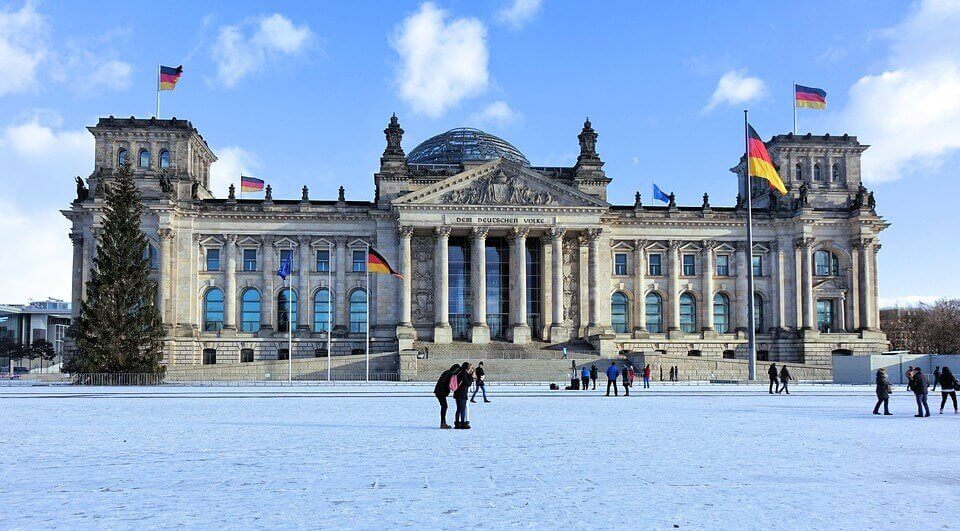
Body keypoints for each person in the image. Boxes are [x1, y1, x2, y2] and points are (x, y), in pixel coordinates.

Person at [434, 364, 460, 429]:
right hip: (440, 392)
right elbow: (445, 383)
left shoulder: (447, 372)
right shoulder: (449, 374)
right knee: (444, 406)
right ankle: (443, 423)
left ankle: (443, 422)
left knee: (444, 406)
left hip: (439, 391)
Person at [453, 362, 475, 429]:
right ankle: (463, 424)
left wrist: (470, 374)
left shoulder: (459, 372)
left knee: (459, 409)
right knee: (462, 409)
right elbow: (467, 383)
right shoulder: (463, 373)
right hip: (462, 393)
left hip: (457, 393)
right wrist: (472, 377)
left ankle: (457, 423)